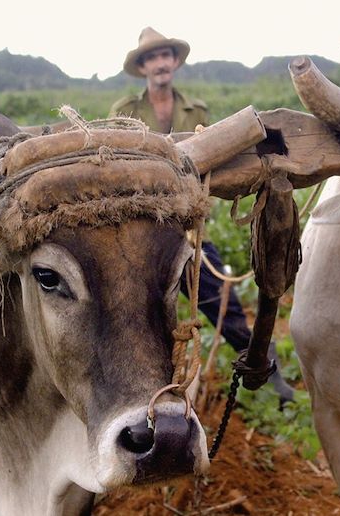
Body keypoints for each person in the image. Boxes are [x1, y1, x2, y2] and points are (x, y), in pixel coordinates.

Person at [110, 27, 294, 403]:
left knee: (220, 303)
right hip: (139, 231)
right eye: (152, 57)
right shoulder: (124, 111)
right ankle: (130, 386)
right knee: (127, 313)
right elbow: (116, 169)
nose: (160, 63)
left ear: (174, 62)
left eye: (165, 56)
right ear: (143, 66)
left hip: (188, 229)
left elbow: (205, 166)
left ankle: (265, 368)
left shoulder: (197, 111)